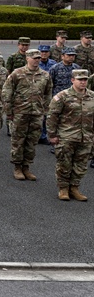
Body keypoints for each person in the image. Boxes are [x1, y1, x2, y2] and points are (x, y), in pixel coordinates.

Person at [2, 49, 53, 181]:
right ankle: (17, 167)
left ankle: (26, 167)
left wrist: (45, 109)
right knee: (18, 141)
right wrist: (9, 111)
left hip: (36, 113)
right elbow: (7, 92)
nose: (37, 60)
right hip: (20, 112)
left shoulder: (45, 75)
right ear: (27, 58)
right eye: (34, 58)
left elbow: (48, 93)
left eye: (38, 58)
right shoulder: (17, 73)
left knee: (32, 141)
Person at [47, 69, 94, 201]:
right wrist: (52, 134)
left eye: (85, 80)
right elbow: (52, 116)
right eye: (80, 80)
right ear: (72, 80)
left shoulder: (92, 96)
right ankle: (63, 188)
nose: (83, 82)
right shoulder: (62, 96)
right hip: (66, 136)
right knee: (64, 164)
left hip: (86, 137)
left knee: (81, 165)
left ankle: (74, 187)